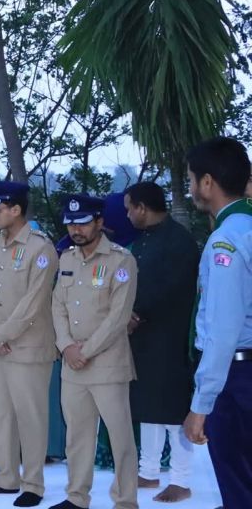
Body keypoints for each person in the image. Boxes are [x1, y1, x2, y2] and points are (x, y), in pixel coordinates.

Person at [0, 181, 59, 507]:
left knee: (30, 417)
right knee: (0, 416)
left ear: (16, 210)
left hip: (28, 348)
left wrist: (1, 335)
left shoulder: (41, 248)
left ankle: (33, 484)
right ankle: (6, 477)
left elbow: (33, 304)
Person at [51, 194, 139, 509]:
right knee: (77, 436)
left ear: (99, 222)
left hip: (107, 364)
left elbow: (118, 317)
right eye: (71, 222)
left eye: (83, 222)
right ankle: (76, 497)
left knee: (120, 437)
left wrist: (84, 351)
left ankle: (126, 500)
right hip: (73, 365)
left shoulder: (120, 260)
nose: (76, 228)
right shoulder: (67, 259)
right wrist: (65, 346)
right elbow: (57, 306)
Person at [182, 137, 252, 508]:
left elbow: (223, 332)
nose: (191, 187)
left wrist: (201, 405)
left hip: (236, 380)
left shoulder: (226, 240)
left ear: (208, 182)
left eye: (192, 179)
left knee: (239, 488)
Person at [123, 181, 200, 503]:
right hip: (142, 338)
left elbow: (173, 288)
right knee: (147, 407)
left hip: (170, 337)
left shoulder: (179, 241)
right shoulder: (141, 242)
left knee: (172, 410)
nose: (127, 215)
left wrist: (138, 313)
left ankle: (180, 480)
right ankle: (149, 472)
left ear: (142, 207)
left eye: (129, 208)